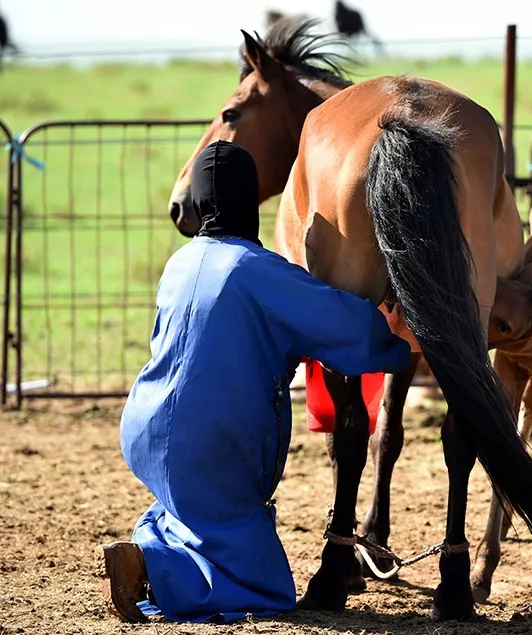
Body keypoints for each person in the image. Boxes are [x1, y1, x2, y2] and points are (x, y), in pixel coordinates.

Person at [94, 140, 411, 624]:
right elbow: (348, 329)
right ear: (253, 203)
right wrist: (395, 330)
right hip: (213, 441)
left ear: (199, 206)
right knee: (263, 586)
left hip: (145, 426)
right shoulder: (260, 271)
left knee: (192, 511)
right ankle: (152, 565)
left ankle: (149, 547)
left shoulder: (178, 264)